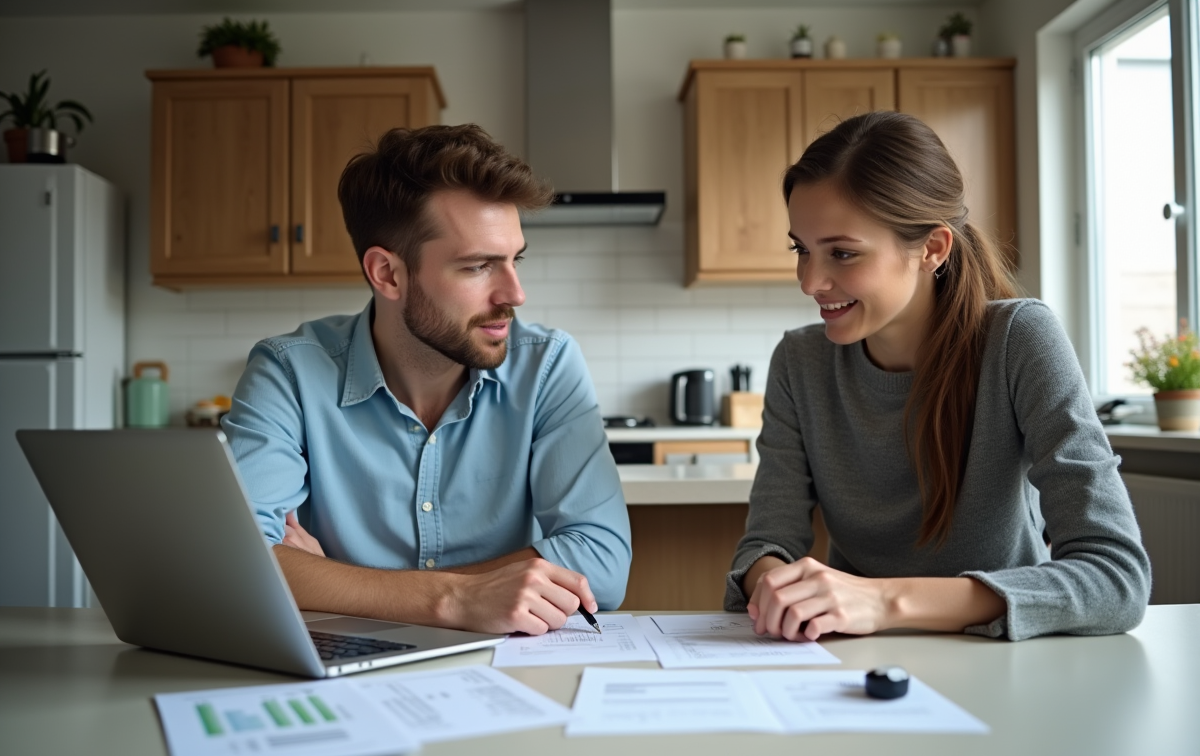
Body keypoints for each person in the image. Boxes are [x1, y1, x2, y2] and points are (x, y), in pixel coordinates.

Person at [726, 111, 1151, 642]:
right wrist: (771, 582)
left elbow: (1116, 578)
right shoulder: (799, 361)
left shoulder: (1019, 340)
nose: (811, 281)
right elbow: (768, 544)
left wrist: (885, 601)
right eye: (801, 250)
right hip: (852, 664)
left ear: (932, 249)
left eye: (843, 252)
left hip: (1007, 663)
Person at [222, 124, 631, 635]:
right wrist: (455, 599)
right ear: (388, 274)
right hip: (347, 669)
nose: (515, 293)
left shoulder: (546, 364)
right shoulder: (289, 371)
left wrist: (334, 581)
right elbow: (237, 565)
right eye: (479, 266)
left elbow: (602, 560)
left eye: (514, 260)